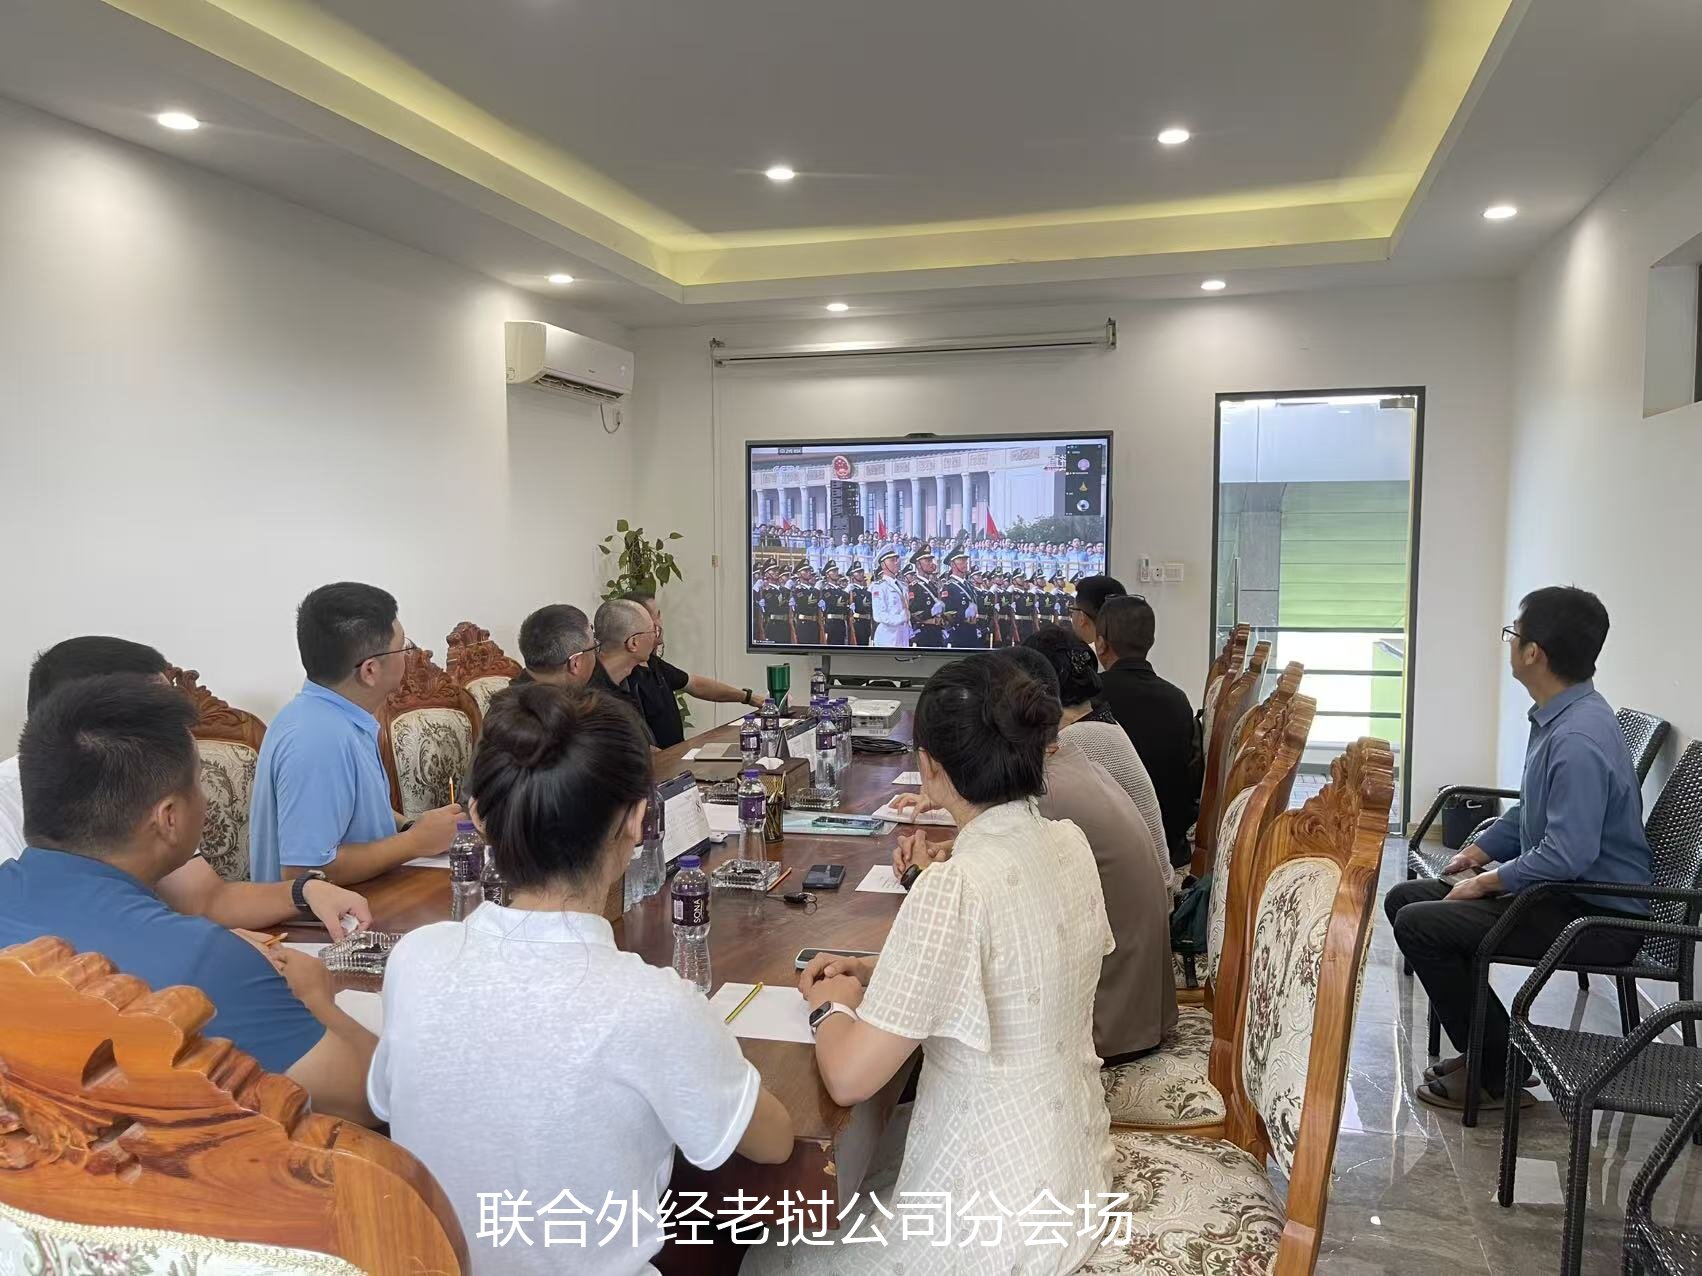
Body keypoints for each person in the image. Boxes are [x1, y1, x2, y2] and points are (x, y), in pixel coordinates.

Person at [372, 684, 794, 1272]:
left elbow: (389, 1102)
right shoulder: (653, 1003)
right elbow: (774, 1143)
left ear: (478, 818)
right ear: (638, 820)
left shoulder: (415, 959)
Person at [760, 654, 1113, 1275]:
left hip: (989, 1214)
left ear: (929, 765)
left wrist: (830, 1007)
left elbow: (849, 1078)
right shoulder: (1068, 843)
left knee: (769, 1252)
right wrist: (878, 968)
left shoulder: (953, 887)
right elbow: (1012, 965)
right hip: (1071, 1171)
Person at [0, 675, 377, 1123]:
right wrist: (316, 994)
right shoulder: (203, 960)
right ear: (169, 818)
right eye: (199, 782)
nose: (207, 799)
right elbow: (367, 1098)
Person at [1385, 586, 1653, 1113]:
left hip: (1595, 916)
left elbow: (1568, 854)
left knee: (1422, 924)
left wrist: (1486, 883)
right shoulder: (1561, 717)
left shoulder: (1577, 739)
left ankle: (1494, 1073)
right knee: (1405, 899)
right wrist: (1478, 853)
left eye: (1514, 633)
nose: (1508, 642)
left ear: (1534, 653)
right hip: (1563, 895)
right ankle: (1495, 1054)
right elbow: (1534, 813)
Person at [0, 637, 369, 933]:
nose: (180, 733)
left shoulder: (141, 788)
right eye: (159, 715)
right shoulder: (8, 805)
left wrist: (304, 892)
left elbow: (207, 901)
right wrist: (188, 948)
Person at [249, 582, 462, 886]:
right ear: (370, 670)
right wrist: (414, 842)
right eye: (404, 647)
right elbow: (302, 873)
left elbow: (353, 811)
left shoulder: (339, 716)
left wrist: (412, 827)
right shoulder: (316, 740)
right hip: (324, 916)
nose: (410, 655)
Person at [1022, 627, 1172, 888]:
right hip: (1153, 890)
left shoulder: (1072, 742)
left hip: (1136, 899)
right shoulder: (1099, 723)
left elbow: (1026, 819)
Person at [1096, 594, 1201, 868]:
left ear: (1101, 643)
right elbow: (1190, 782)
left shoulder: (1090, 698)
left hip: (1105, 850)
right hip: (1168, 846)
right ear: (1150, 641)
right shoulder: (1177, 699)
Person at [617, 591, 756, 749]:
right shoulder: (624, 677)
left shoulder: (653, 663)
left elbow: (695, 684)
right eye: (657, 616)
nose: (660, 623)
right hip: (657, 762)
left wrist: (749, 697)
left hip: (674, 758)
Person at [588, 599, 660, 744]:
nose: (656, 637)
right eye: (653, 631)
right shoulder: (593, 700)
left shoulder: (628, 677)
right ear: (633, 642)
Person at [515, 603, 599, 687]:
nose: (596, 653)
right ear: (575, 663)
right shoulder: (590, 693)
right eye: (595, 646)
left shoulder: (513, 691)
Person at [1069, 574, 1127, 650]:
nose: (1072, 615)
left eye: (1072, 609)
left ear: (1082, 618)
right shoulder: (1130, 646)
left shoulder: (1085, 653)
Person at [905, 546, 946, 648]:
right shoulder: (914, 587)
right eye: (927, 561)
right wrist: (931, 612)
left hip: (937, 631)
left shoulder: (933, 585)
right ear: (918, 565)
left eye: (931, 560)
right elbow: (913, 613)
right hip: (924, 632)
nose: (931, 563)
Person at [870, 547, 911, 648]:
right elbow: (879, 615)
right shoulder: (879, 586)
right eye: (892, 560)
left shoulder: (903, 585)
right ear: (883, 565)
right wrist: (900, 618)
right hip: (888, 636)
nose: (897, 562)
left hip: (903, 634)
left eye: (896, 559)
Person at [847, 560, 873, 646]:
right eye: (858, 572)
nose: (861, 574)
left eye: (862, 571)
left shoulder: (867, 591)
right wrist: (846, 592)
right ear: (852, 575)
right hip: (856, 623)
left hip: (867, 623)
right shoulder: (850, 590)